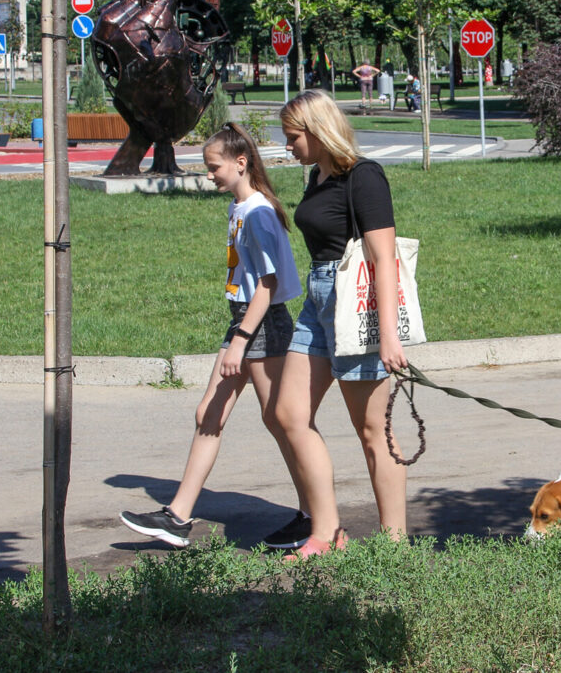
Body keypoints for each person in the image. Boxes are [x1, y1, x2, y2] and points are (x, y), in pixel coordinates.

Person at [119, 122, 310, 550]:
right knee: (209, 412)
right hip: (243, 321)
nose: (209, 175)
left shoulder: (259, 212)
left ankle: (314, 513)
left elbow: (268, 284)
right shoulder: (240, 209)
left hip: (260, 324)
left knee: (283, 422)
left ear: (240, 164)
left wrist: (240, 340)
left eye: (213, 167)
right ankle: (178, 517)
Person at [273, 89, 410, 559]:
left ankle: (394, 544)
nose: (287, 146)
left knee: (373, 430)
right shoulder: (317, 175)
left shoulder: (363, 176)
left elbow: (383, 258)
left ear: (316, 131)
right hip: (317, 300)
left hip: (355, 302)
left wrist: (387, 333)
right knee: (288, 414)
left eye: (293, 137)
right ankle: (327, 532)